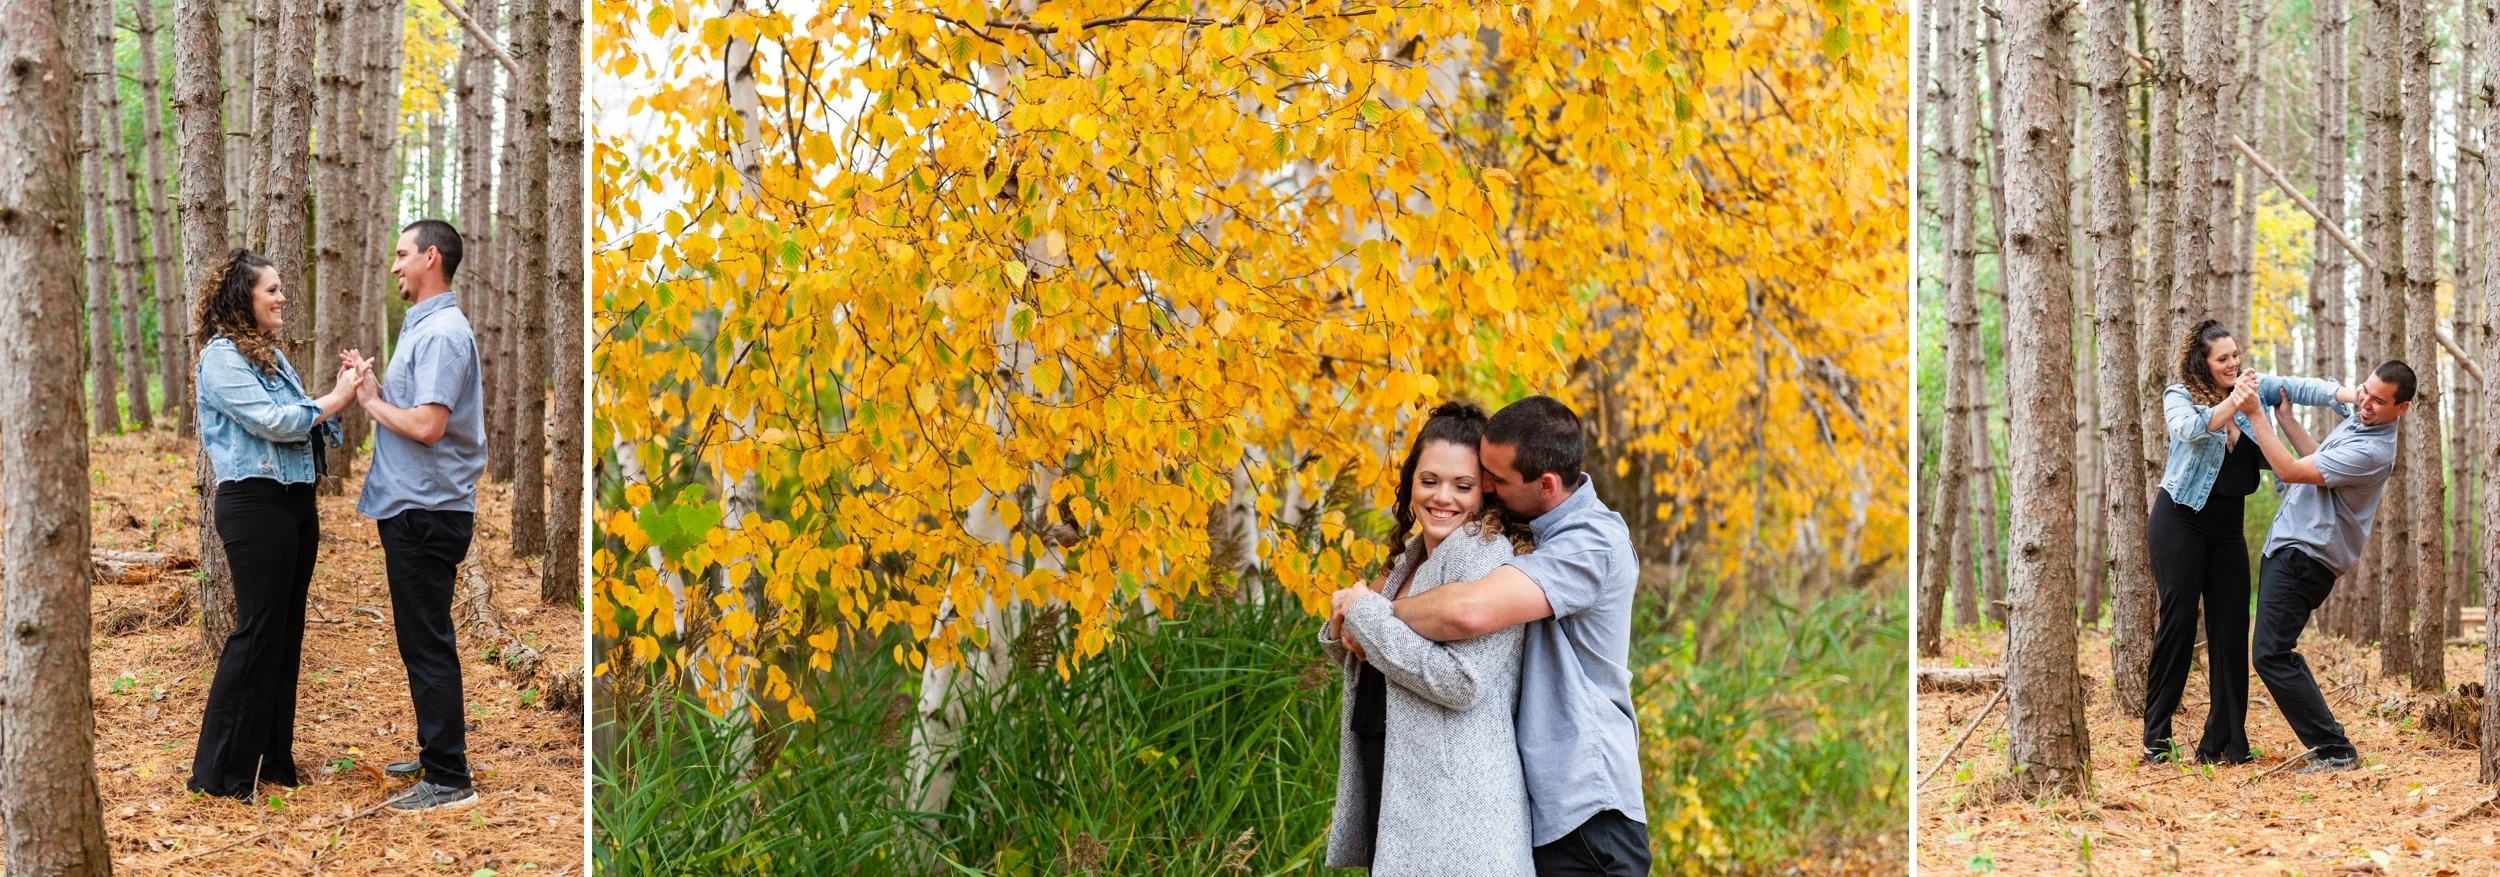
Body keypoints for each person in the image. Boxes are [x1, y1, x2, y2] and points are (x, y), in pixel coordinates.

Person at [1332, 395, 1651, 877]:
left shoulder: (1589, 543)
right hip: (1540, 804)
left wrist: (1369, 614)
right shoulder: (1521, 536)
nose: (1485, 488)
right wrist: (1361, 616)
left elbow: (1467, 613)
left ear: (1545, 484)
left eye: (1492, 480)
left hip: (1585, 806)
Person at [1322, 402, 1537, 875]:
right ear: (1411, 482)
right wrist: (1343, 628)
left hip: (1454, 807)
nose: (1443, 497)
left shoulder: (1483, 554)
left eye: (1462, 485)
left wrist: (1366, 616)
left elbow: (1461, 681)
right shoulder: (1411, 556)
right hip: (1398, 778)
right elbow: (1384, 658)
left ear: (1485, 491)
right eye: (1429, 480)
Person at [188, 249, 363, 800]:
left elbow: (308, 423)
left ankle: (271, 763)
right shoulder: (220, 358)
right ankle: (220, 773)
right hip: (254, 505)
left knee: (286, 631)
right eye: (272, 289)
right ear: (244, 298)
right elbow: (273, 421)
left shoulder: (270, 357)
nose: (282, 297)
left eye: (282, 288)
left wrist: (340, 393)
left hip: (295, 502)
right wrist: (332, 400)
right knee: (259, 629)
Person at [2141, 319, 2355, 765]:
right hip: (2179, 520)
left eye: (2235, 355)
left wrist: (2351, 396)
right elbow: (2188, 429)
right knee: (2180, 621)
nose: (2233, 364)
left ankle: (2224, 743)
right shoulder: (2180, 395)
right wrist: (2234, 403)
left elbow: (2303, 387)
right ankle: (2156, 738)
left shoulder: (2250, 388)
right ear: (2202, 363)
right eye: (2223, 359)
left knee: (2232, 630)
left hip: (2227, 532)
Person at [349, 219, 489, 812]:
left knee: (427, 643)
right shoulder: (424, 327)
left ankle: (450, 779)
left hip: (427, 510)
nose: (394, 265)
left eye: (402, 253)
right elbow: (417, 412)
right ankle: (438, 753)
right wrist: (375, 390)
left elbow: (429, 427)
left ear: (432, 257)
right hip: (416, 505)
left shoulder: (443, 335)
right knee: (421, 640)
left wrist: (371, 403)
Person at [2241, 360, 2416, 774]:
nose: (2366, 403)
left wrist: (2254, 414)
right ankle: (2331, 745)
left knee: (2270, 653)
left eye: (2378, 401)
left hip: (2306, 556)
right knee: (2272, 651)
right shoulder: (2360, 424)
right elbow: (2320, 459)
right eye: (2365, 391)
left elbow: (2290, 471)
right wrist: (2286, 420)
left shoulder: (2373, 451)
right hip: (2292, 546)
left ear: (2401, 408)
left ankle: (2335, 749)